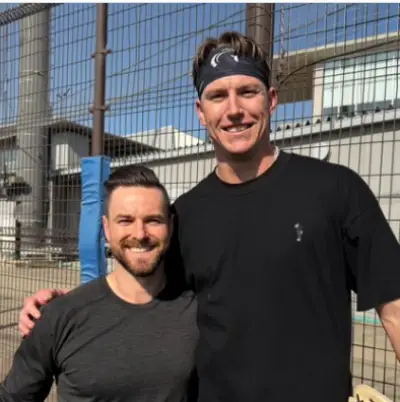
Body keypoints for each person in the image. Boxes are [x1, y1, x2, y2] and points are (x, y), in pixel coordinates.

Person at [18, 31, 400, 402]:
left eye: (247, 92)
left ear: (271, 100)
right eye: (218, 95)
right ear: (201, 112)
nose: (233, 110)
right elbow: (137, 290)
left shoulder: (334, 189)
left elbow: (395, 307)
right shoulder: (184, 215)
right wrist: (63, 308)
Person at [1, 165, 198, 402]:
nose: (140, 234)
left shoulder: (197, 312)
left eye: (153, 220)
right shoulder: (60, 315)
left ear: (171, 226)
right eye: (125, 220)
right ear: (107, 229)